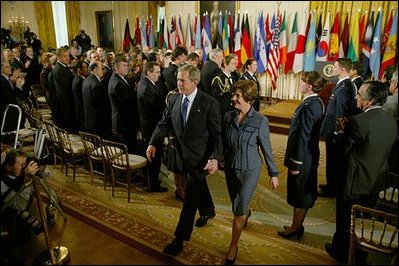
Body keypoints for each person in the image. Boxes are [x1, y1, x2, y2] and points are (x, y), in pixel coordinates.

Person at [146, 64, 223, 256]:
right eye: (178, 79)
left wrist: (215, 158)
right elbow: (164, 122)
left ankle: (179, 239)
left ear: (195, 82)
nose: (178, 83)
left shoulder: (209, 103)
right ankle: (208, 210)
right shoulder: (173, 99)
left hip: (200, 159)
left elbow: (217, 135)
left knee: (189, 199)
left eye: (183, 80)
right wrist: (153, 143)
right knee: (197, 187)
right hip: (181, 156)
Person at [325, 81, 397, 263]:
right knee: (363, 219)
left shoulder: (357, 122)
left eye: (361, 94)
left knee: (345, 221)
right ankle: (360, 253)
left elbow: (342, 152)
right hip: (375, 182)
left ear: (370, 100)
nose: (357, 96)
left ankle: (341, 252)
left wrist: (340, 132)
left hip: (353, 183)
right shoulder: (392, 121)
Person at [223, 79, 279, 265]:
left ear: (249, 99)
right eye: (233, 95)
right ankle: (245, 213)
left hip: (250, 170)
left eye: (237, 96)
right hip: (231, 168)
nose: (233, 99)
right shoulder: (228, 116)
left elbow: (267, 149)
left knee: (239, 209)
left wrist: (274, 173)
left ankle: (233, 246)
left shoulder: (261, 121)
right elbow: (222, 143)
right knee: (236, 205)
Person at [278, 71, 326, 240]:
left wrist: (296, 164)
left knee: (300, 195)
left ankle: (295, 228)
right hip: (308, 156)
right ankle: (295, 225)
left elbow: (302, 138)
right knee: (300, 193)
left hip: (303, 158)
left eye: (301, 82)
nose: (299, 84)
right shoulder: (316, 102)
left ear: (309, 87)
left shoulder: (309, 107)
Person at [319, 58, 359, 197]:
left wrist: (337, 132)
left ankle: (332, 189)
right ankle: (331, 185)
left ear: (342, 70)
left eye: (335, 66)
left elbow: (340, 113)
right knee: (332, 160)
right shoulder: (343, 85)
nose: (333, 68)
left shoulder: (344, 87)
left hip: (335, 131)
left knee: (334, 161)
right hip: (333, 130)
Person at [1, 149, 41, 265]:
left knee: (25, 237)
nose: (25, 168)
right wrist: (27, 179)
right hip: (5, 215)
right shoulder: (2, 182)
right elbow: (20, 204)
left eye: (25, 164)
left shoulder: (14, 172)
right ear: (8, 167)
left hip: (13, 209)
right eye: (22, 166)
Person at [137, 62, 168, 192]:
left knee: (154, 156)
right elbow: (153, 110)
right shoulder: (146, 88)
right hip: (151, 127)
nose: (159, 75)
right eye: (157, 72)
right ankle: (152, 184)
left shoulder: (149, 83)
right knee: (153, 156)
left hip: (152, 125)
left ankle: (151, 179)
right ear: (149, 73)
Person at [108, 55, 139, 153]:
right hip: (124, 121)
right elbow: (127, 104)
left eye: (127, 65)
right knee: (128, 149)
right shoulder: (118, 83)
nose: (127, 67)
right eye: (124, 66)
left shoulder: (118, 79)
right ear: (116, 68)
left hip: (123, 119)